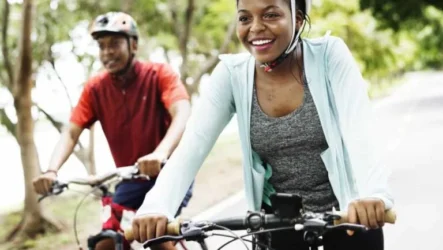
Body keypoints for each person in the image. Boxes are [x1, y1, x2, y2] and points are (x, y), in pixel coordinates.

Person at [131, 0, 394, 249]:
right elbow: (193, 144)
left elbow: (360, 130)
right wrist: (157, 206)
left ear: (298, 19)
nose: (255, 27)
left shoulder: (330, 56)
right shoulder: (231, 75)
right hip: (278, 222)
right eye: (245, 18)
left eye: (270, 14)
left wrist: (373, 194)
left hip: (348, 213)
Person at [32, 12, 192, 250]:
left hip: (171, 173)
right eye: (102, 46)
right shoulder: (96, 89)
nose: (107, 52)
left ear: (133, 44)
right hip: (131, 179)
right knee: (106, 242)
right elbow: (71, 133)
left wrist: (160, 153)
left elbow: (182, 112)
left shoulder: (159, 74)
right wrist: (52, 171)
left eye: (115, 44)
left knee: (154, 235)